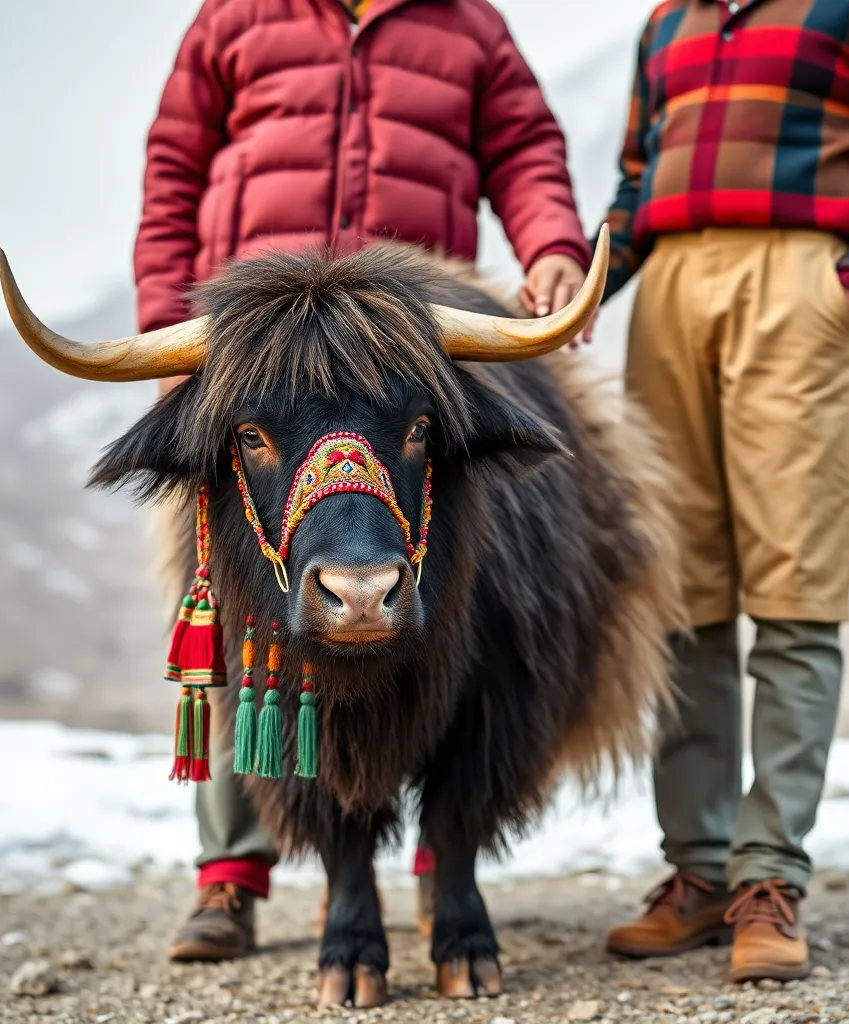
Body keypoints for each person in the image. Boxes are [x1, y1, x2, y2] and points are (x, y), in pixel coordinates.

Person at [136, 0, 591, 962]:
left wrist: (552, 244)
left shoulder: (467, 21)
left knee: (501, 591)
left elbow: (523, 144)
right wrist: (165, 330)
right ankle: (231, 875)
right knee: (226, 611)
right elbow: (176, 163)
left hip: (413, 329)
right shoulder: (235, 17)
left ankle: (446, 859)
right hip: (258, 343)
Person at [597, 0, 849, 982]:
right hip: (668, 291)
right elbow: (637, 179)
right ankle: (699, 871)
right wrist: (588, 284)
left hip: (799, 284)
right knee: (682, 594)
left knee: (795, 588)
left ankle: (769, 877)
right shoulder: (666, 20)